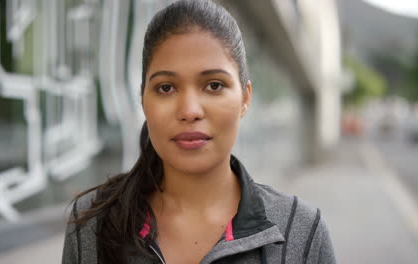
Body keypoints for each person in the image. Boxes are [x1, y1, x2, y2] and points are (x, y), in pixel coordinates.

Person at [62, 0, 336, 263]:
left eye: (214, 85)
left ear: (245, 99)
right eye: (166, 88)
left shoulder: (302, 233)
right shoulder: (92, 223)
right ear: (143, 100)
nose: (190, 110)